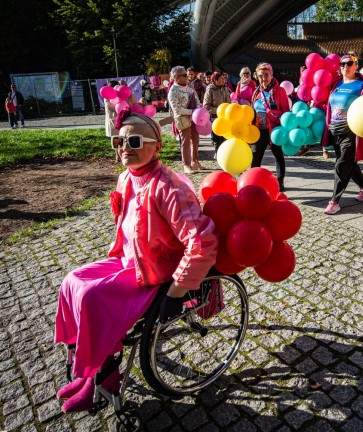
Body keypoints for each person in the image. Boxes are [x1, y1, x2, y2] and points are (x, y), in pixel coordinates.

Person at [53, 113, 218, 414]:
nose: (124, 148)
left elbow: (202, 244)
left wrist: (177, 292)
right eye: (119, 141)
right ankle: (86, 368)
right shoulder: (126, 176)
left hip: (156, 272)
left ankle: (103, 380)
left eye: (134, 141)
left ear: (156, 148)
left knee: (92, 298)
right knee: (71, 282)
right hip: (129, 260)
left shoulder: (171, 188)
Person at [322, 53, 363, 215]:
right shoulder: (336, 83)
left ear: (356, 65)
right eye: (342, 64)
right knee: (348, 163)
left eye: (349, 63)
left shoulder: (362, 84)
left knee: (341, 164)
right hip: (335, 129)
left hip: (352, 131)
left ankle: (334, 201)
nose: (345, 66)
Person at [250, 63, 290, 192]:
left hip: (275, 130)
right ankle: (254, 183)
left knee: (278, 156)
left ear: (271, 75)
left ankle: (280, 183)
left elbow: (285, 112)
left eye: (266, 75)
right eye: (260, 76)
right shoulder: (256, 92)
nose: (263, 79)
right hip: (259, 130)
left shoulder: (280, 91)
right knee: (255, 158)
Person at [168, 65, 203, 174]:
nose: (187, 76)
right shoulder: (173, 91)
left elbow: (196, 99)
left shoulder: (189, 86)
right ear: (176, 77)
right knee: (185, 142)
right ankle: (186, 165)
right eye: (184, 74)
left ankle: (195, 161)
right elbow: (177, 109)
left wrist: (197, 110)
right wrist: (192, 112)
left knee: (196, 140)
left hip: (194, 118)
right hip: (183, 120)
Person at [203, 71, 232, 158]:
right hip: (215, 118)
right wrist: (219, 110)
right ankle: (219, 155)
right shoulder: (210, 90)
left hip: (226, 117)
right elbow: (206, 106)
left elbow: (229, 101)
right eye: (221, 78)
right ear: (215, 80)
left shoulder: (226, 88)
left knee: (225, 138)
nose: (224, 80)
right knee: (217, 139)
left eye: (224, 78)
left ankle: (225, 156)